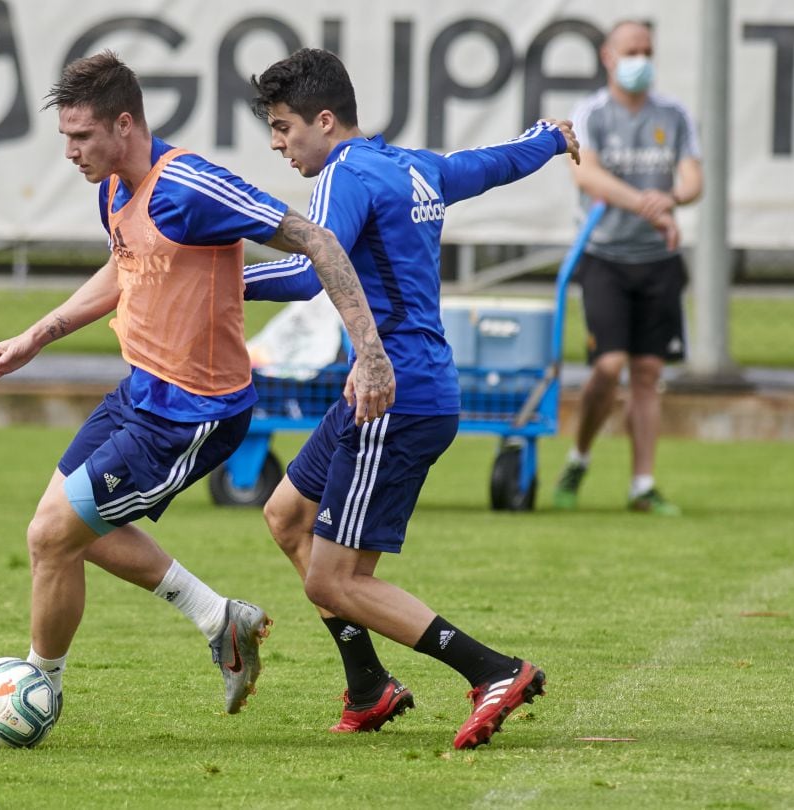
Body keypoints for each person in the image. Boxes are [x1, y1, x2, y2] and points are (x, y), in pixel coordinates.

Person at [0, 50, 395, 727]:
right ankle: (220, 621)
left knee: (52, 535)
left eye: (82, 136)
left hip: (193, 414)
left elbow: (317, 241)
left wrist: (371, 355)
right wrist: (37, 335)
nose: (70, 151)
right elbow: (125, 269)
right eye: (65, 137)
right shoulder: (115, 190)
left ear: (125, 124)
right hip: (138, 394)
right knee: (66, 531)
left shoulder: (190, 186)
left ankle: (36, 690)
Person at [245, 48, 580, 749]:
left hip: (390, 397)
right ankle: (369, 688)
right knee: (285, 517)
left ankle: (493, 670)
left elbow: (315, 270)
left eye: (283, 128)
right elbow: (491, 164)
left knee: (334, 582)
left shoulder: (344, 176)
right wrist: (548, 139)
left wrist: (214, 281)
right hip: (392, 390)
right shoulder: (411, 166)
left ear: (325, 120)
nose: (278, 144)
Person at [554, 19, 703, 516]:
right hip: (605, 257)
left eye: (647, 50)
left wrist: (672, 197)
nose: (641, 59)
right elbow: (587, 175)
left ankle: (642, 484)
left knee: (647, 371)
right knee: (608, 367)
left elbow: (691, 177)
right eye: (631, 50)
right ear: (608, 56)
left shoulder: (674, 114)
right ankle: (579, 455)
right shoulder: (593, 114)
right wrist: (649, 204)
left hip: (659, 260)